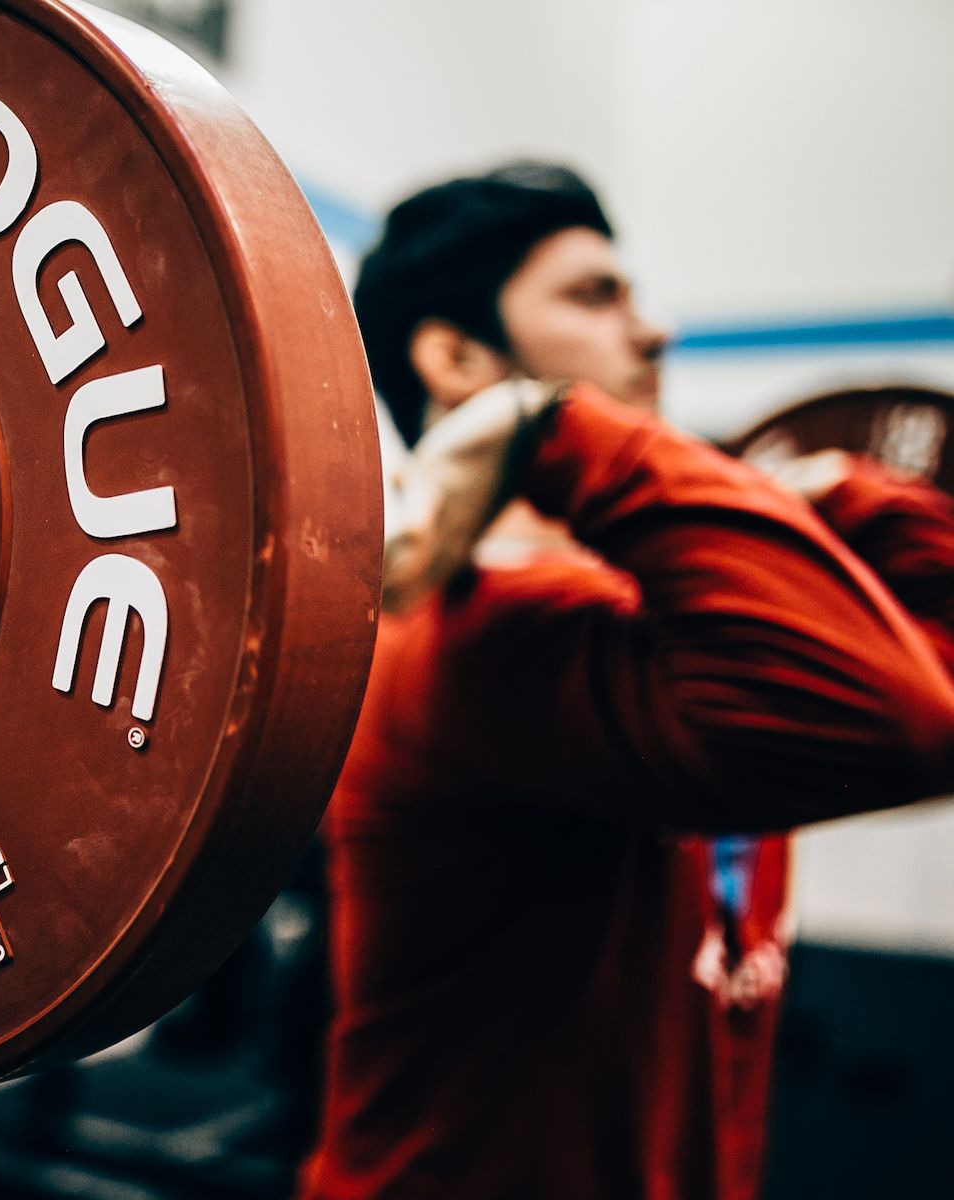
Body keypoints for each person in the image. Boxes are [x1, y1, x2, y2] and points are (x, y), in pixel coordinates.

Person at [298, 163, 954, 1199]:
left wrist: (841, 493)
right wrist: (561, 433)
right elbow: (905, 722)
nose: (656, 333)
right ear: (456, 355)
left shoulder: (653, 624)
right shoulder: (476, 637)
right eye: (594, 297)